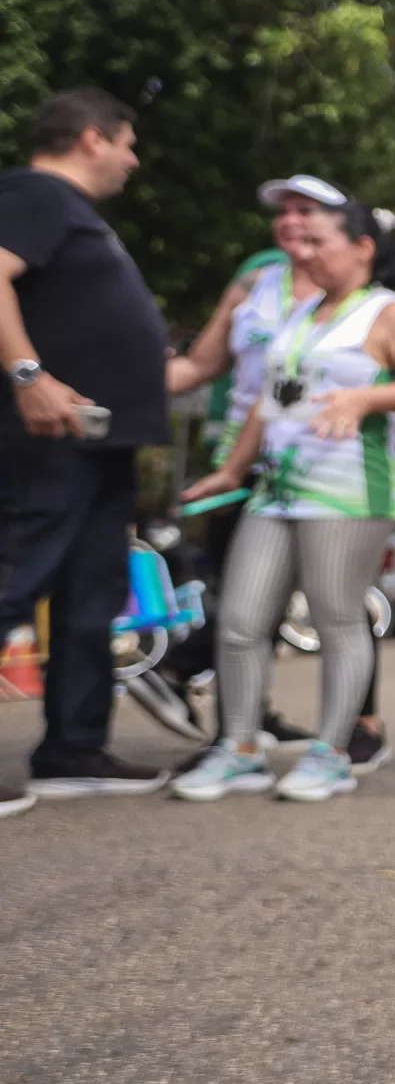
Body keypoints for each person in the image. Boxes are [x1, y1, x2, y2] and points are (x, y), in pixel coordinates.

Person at [173, 199, 395, 803]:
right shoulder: (302, 312)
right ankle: (241, 747)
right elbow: (270, 398)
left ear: (362, 249)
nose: (303, 253)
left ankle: (331, 753)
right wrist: (231, 470)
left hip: (350, 491)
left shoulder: (388, 314)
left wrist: (364, 400)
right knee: (240, 620)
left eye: (318, 241)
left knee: (336, 616)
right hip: (276, 488)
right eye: (299, 244)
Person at [166, 174, 394, 765]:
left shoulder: (369, 303)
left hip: (335, 475)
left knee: (335, 602)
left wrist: (362, 403)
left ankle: (349, 734)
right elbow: (207, 369)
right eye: (285, 211)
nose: (294, 221)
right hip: (255, 465)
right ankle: (239, 736)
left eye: (308, 211)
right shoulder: (256, 285)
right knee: (240, 607)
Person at [0, 88, 171, 811]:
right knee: (15, 573)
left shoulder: (72, 215)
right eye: (128, 143)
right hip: (49, 433)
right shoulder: (35, 194)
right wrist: (27, 375)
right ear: (93, 138)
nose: (133, 160)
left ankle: (73, 746)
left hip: (102, 440)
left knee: (91, 592)